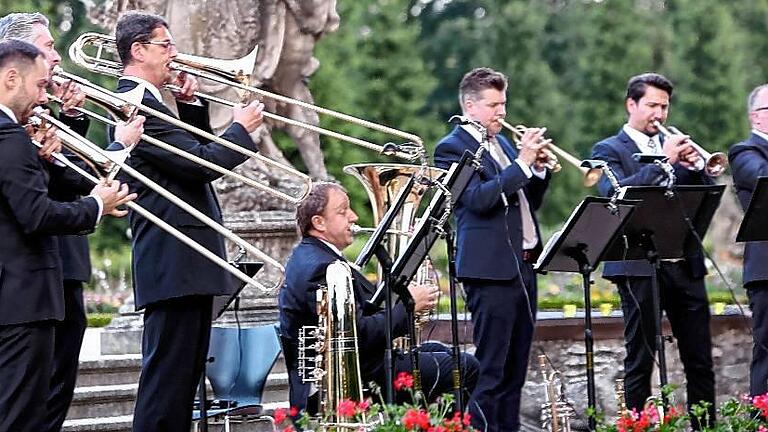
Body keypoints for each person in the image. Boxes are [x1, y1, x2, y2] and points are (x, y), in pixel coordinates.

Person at [113, 11, 265, 432]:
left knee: (180, 387)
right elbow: (202, 164)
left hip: (186, 264)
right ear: (139, 50)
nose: (176, 55)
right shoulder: (134, 105)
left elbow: (184, 161)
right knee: (166, 388)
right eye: (167, 46)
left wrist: (191, 108)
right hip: (174, 262)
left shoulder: (155, 104)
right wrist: (241, 130)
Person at [0, 12, 145, 431]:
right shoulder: (8, 135)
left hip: (30, 291)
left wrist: (50, 149)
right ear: (13, 75)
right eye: (40, 83)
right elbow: (36, 212)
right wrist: (97, 204)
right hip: (25, 295)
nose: (45, 91)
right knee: (25, 413)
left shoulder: (17, 133)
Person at [278, 182, 478, 413]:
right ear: (319, 222)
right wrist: (409, 305)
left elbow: (361, 312)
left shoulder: (314, 255)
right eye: (343, 212)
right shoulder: (320, 266)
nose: (353, 217)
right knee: (465, 367)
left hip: (364, 362)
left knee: (438, 349)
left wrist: (401, 294)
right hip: (355, 375)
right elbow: (356, 334)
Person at [590, 72, 716, 424]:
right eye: (651, 106)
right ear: (631, 104)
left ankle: (705, 427)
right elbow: (613, 194)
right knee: (640, 359)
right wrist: (664, 161)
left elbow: (701, 199)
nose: (659, 114)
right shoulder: (608, 150)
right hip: (637, 266)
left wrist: (699, 170)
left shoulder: (675, 148)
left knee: (700, 359)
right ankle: (638, 425)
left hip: (684, 263)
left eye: (664, 106)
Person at [433, 67, 550, 432]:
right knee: (490, 370)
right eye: (493, 104)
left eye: (504, 103)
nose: (502, 111)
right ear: (470, 106)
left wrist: (539, 171)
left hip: (523, 267)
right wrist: (522, 165)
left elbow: (525, 202)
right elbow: (477, 200)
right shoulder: (452, 148)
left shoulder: (503, 143)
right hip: (490, 271)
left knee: (516, 372)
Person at [729, 83, 768, 398]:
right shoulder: (744, 152)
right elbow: (761, 177)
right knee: (767, 355)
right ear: (756, 117)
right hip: (766, 271)